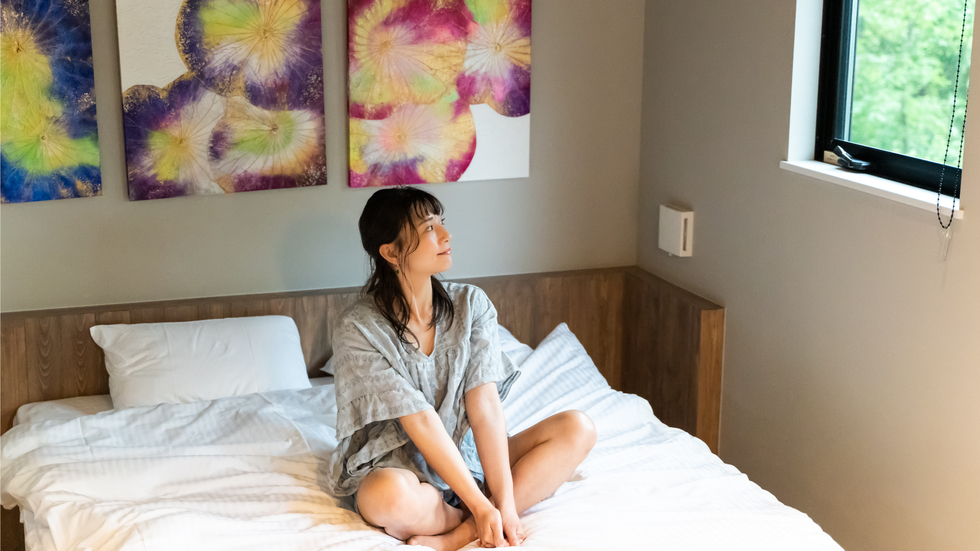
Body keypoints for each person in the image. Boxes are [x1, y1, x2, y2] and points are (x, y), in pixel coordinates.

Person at [327, 186, 596, 551]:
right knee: (387, 497)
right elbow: (420, 419)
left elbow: (484, 406)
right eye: (428, 228)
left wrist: (502, 502)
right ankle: (469, 517)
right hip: (399, 466)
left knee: (577, 428)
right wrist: (480, 505)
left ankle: (463, 532)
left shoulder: (472, 304)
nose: (446, 235)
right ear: (390, 252)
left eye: (442, 222)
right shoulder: (358, 327)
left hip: (470, 458)